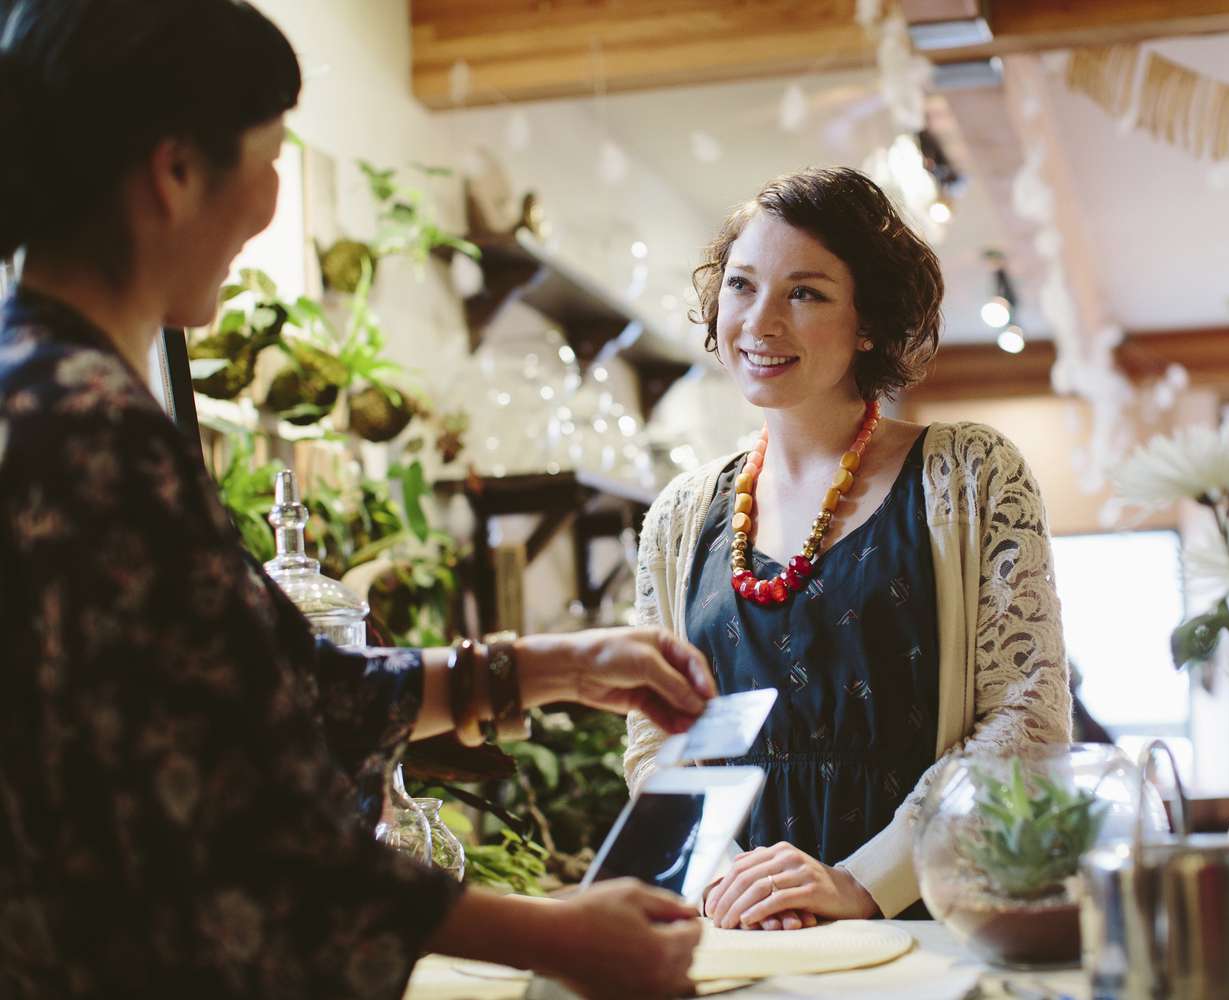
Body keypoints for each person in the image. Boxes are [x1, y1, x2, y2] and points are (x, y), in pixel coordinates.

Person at [0, 2, 713, 997]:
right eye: (271, 150)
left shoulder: (41, 388)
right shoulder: (92, 436)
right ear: (173, 171)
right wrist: (558, 937)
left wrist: (559, 664)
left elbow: (299, 696)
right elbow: (248, 834)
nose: (269, 199)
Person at [624, 167, 1073, 931]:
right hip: (741, 930)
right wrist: (730, 878)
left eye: (805, 292)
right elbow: (653, 737)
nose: (760, 321)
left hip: (924, 919)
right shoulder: (679, 516)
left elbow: (1027, 718)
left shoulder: (969, 472)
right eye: (741, 285)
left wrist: (860, 882)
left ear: (869, 321)